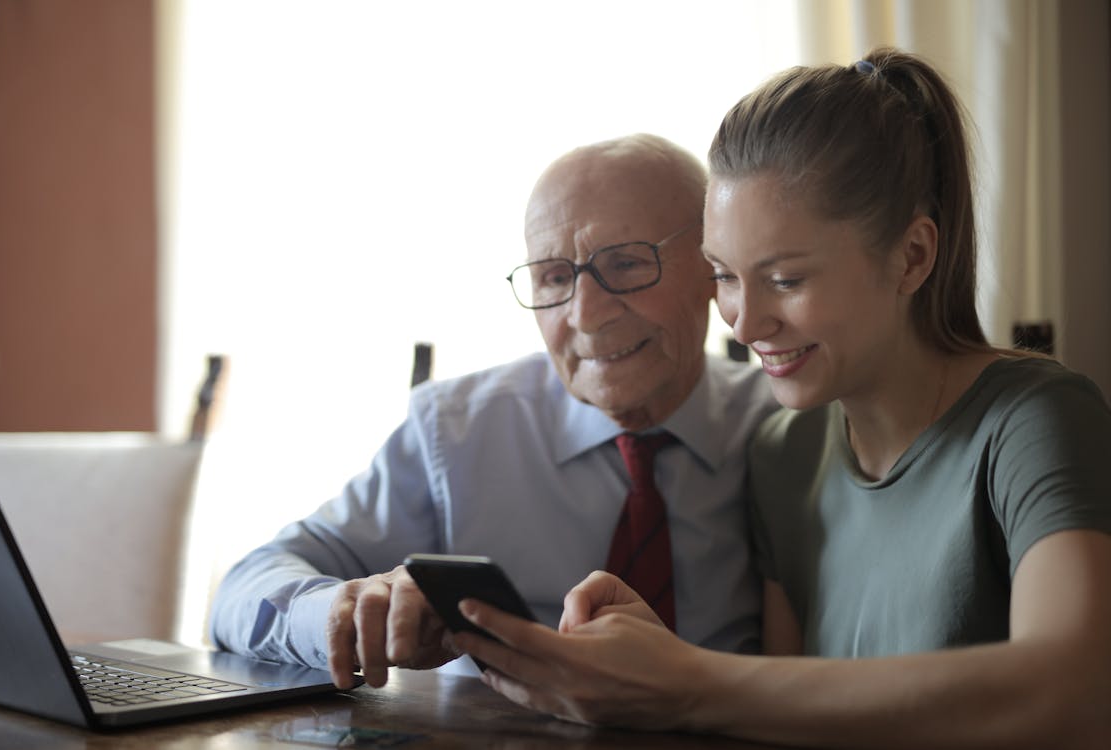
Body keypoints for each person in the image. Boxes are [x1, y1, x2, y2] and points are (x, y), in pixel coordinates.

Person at [451, 48, 1111, 749]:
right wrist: (650, 659)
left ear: (912, 257)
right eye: (725, 276)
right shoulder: (784, 453)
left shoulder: (1035, 420)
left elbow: (1077, 692)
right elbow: (783, 716)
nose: (742, 321)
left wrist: (685, 679)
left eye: (786, 280)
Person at [209, 133, 778, 690]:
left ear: (714, 267)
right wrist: (344, 610)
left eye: (626, 265)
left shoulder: (785, 431)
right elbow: (243, 591)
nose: (585, 314)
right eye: (554, 277)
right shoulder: (457, 432)